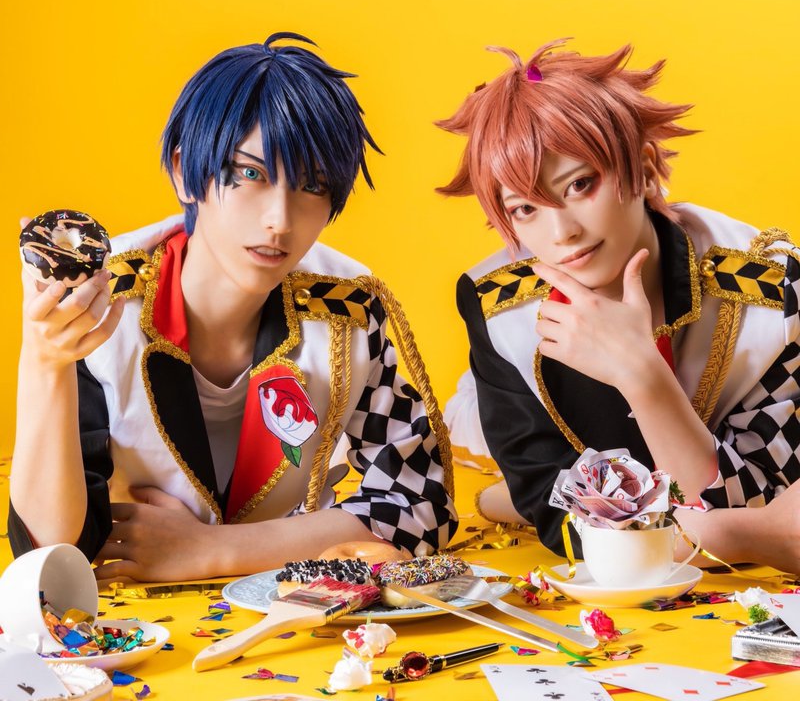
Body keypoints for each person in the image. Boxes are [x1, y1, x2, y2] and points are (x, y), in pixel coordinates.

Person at [9, 33, 456, 581]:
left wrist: (216, 550)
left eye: (313, 186)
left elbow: (420, 505)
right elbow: (51, 552)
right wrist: (44, 362)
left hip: (294, 606)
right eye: (250, 174)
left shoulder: (347, 307)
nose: (279, 220)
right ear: (183, 172)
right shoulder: (106, 300)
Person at [439, 39, 800, 572]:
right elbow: (552, 505)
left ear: (646, 168)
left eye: (580, 184)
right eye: (524, 209)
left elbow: (750, 504)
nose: (562, 232)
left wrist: (641, 373)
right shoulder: (498, 306)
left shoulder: (769, 290)